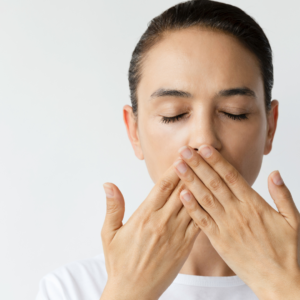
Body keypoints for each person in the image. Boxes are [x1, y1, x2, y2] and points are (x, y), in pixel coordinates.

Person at [36, 0, 300, 299]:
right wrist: (128, 291)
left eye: (234, 111)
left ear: (270, 127)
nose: (203, 140)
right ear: (134, 132)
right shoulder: (71, 288)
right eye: (173, 114)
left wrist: (283, 285)